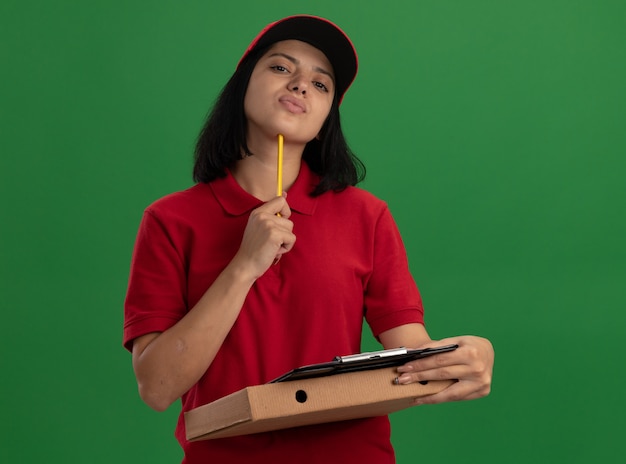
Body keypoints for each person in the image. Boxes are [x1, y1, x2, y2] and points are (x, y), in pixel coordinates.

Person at [123, 15, 494, 464]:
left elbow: (413, 351)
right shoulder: (170, 219)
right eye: (281, 68)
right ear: (242, 86)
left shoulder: (366, 215)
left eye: (321, 85)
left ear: (325, 119)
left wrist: (468, 355)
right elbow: (157, 388)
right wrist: (244, 265)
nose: (301, 85)